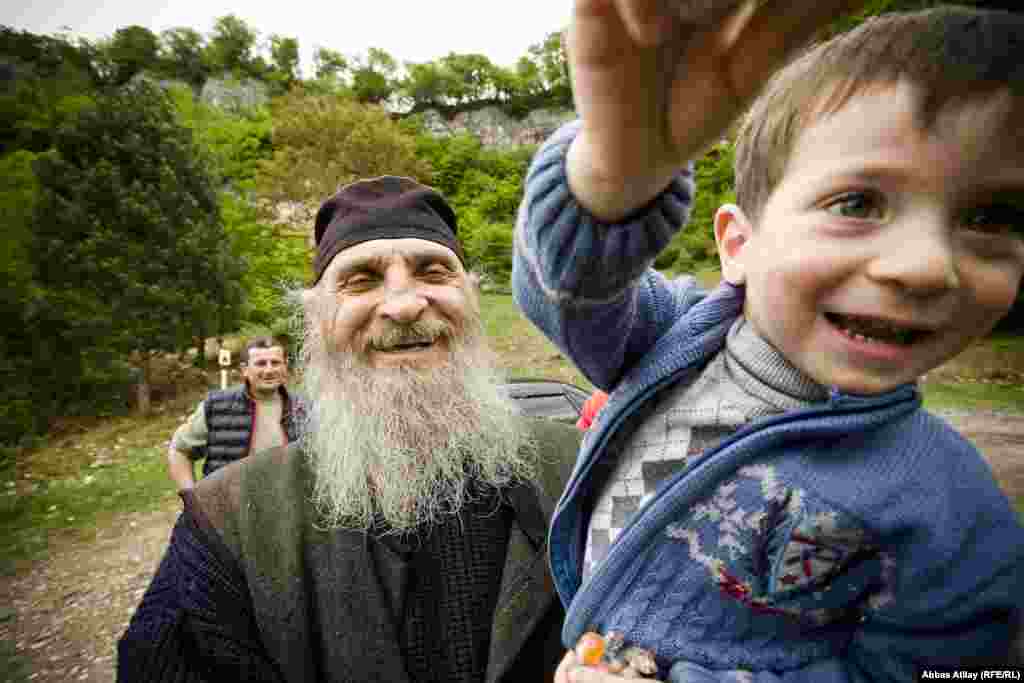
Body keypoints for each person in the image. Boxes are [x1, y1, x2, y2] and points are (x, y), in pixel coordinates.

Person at [513, 2, 1024, 681]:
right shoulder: (678, 337)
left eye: (991, 216)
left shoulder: (952, 508)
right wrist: (609, 180)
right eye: (858, 203)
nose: (927, 264)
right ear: (737, 244)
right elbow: (565, 294)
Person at [118, 176, 584, 682]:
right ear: (317, 319)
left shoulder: (583, 474)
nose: (404, 304)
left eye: (433, 272)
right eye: (361, 280)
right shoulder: (229, 523)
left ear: (471, 299)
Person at [166, 336, 302, 491]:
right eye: (260, 363)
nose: (269, 370)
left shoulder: (303, 408)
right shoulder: (217, 406)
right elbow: (179, 450)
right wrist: (192, 498)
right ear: (245, 370)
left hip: (287, 509)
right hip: (228, 510)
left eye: (275, 363)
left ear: (285, 366)